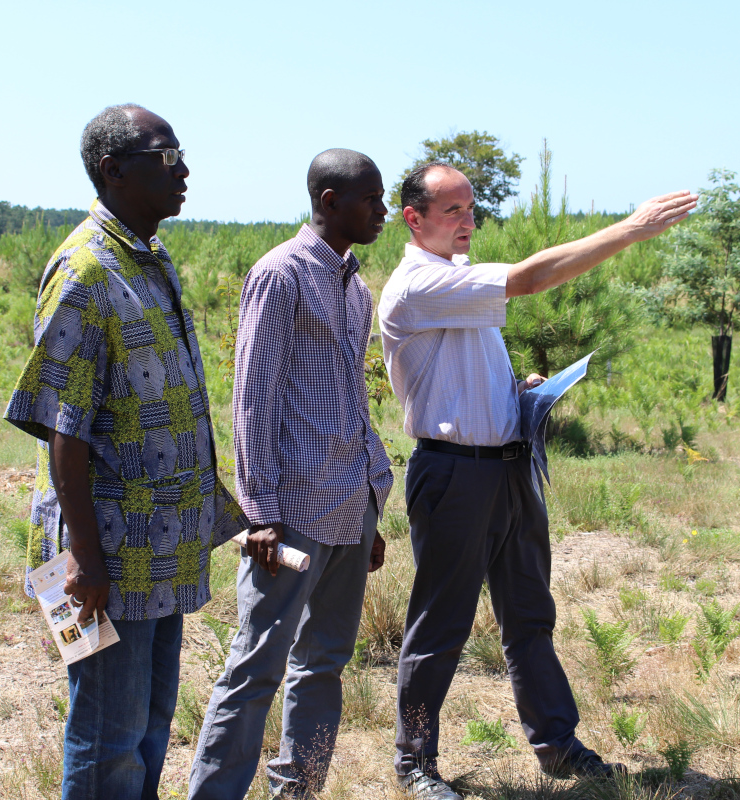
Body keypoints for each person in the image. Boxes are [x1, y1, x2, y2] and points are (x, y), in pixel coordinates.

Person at [378, 163, 697, 798]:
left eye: (472, 210)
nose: (468, 222)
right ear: (413, 220)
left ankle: (557, 745)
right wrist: (630, 230)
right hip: (454, 476)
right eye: (452, 211)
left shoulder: (459, 282)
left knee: (529, 615)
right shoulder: (419, 284)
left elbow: (463, 371)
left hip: (506, 468)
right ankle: (414, 762)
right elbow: (531, 278)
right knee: (441, 624)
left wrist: (515, 393)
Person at [4, 103, 247, 800]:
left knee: (147, 725)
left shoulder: (149, 259)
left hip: (159, 548)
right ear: (114, 171)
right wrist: (85, 557)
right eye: (167, 157)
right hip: (105, 553)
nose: (186, 172)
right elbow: (63, 430)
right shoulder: (85, 272)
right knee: (108, 735)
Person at [187, 149, 394, 800]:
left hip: (348, 506)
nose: (383, 212)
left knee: (324, 663)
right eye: (371, 200)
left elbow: (352, 401)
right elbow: (252, 399)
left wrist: (370, 507)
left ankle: (296, 791)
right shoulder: (280, 276)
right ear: (330, 202)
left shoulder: (354, 286)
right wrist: (262, 514)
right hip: (293, 516)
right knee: (255, 668)